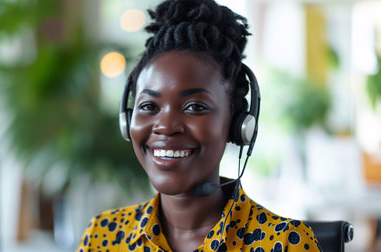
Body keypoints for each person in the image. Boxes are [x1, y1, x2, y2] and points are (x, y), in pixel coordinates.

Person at [78, 0, 321, 251]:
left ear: (238, 124)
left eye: (195, 107)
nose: (166, 126)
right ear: (127, 120)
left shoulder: (286, 244)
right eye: (149, 106)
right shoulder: (102, 236)